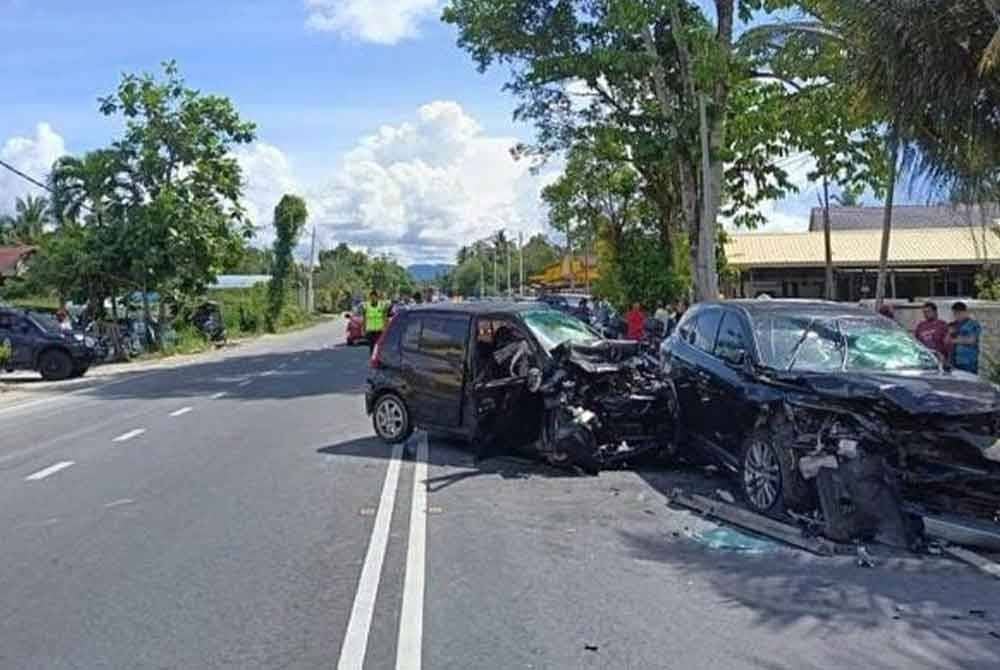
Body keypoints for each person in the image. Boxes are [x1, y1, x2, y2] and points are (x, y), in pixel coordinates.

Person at [946, 301, 982, 375]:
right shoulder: (952, 325)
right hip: (954, 361)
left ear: (965, 312)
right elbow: (946, 341)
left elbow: (971, 340)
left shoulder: (973, 324)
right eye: (955, 313)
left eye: (959, 313)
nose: (957, 316)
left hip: (968, 362)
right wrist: (949, 333)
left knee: (969, 383)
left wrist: (954, 340)